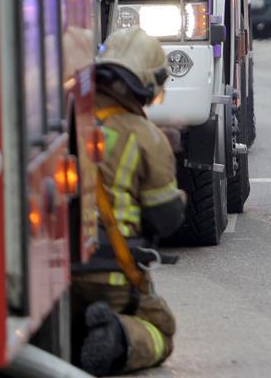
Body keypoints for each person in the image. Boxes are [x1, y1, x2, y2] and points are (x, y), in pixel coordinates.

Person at [72, 28, 185, 374]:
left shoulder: (65, 120)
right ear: (149, 85)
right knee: (161, 331)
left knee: (74, 326)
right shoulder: (145, 135)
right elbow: (165, 218)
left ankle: (78, 335)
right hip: (114, 275)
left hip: (58, 274)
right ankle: (117, 335)